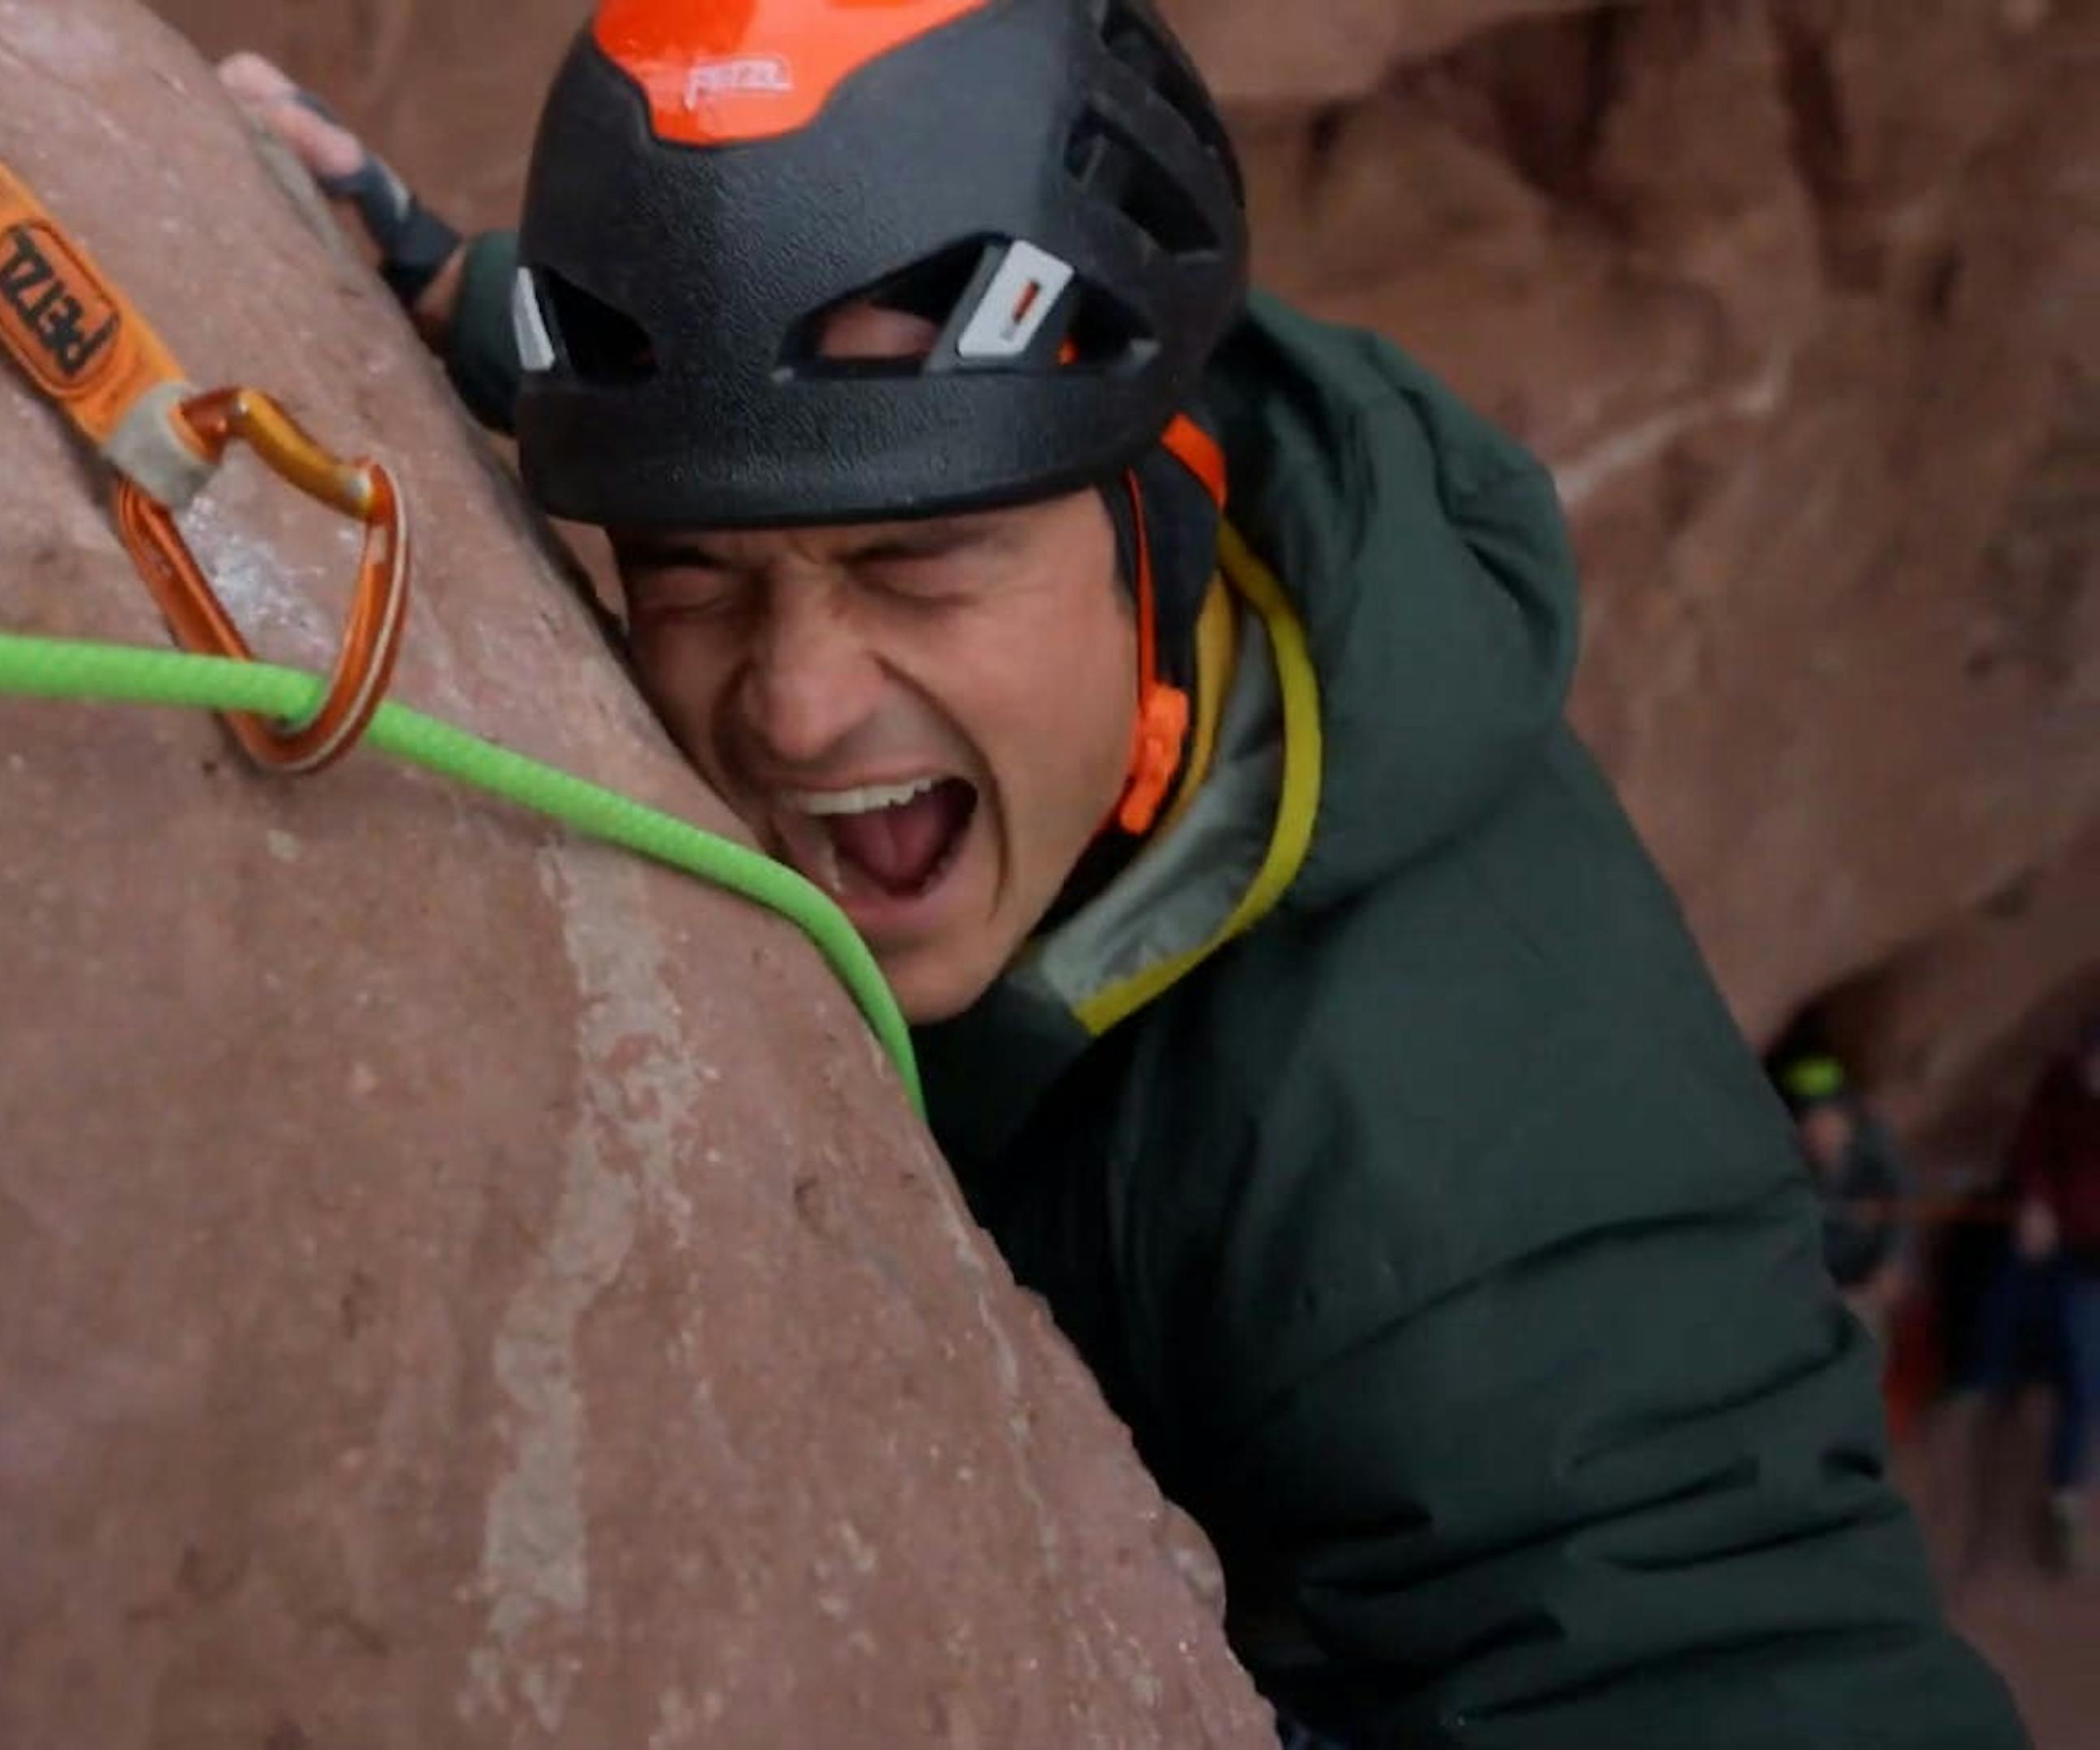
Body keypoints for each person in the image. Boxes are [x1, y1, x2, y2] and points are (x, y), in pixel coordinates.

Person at [223, 2, 2025, 1741]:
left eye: (921, 558)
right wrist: (460, 297)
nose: (791, 698)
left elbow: (1739, 1651)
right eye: (692, 564)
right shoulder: (1071, 466)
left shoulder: (1453, 1184)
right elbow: (812, 410)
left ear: (1156, 525)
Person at [1965, 1019, 2100, 1574]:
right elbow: (2033, 1146)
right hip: (2055, 1243)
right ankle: (1980, 1385)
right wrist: (2038, 1200)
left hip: (2092, 1259)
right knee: (2003, 1293)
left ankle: (2064, 1495)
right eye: (2091, 1058)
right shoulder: (2061, 1082)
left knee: (2083, 1373)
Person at [1775, 1050, 1917, 1337]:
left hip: (1861, 1276)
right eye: (1811, 1120)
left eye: (1829, 1118)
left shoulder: (1874, 1148)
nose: (1822, 1131)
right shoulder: (1782, 1160)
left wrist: (1892, 1258)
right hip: (1808, 1281)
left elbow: (1901, 1201)